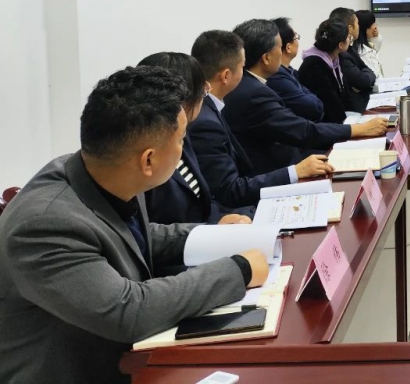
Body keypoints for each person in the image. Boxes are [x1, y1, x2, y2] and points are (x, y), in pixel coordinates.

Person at [0, 66, 270, 384]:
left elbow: (133, 236)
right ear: (148, 160)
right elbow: (129, 311)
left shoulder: (104, 170)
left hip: (128, 356)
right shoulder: (43, 226)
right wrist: (238, 270)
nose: (184, 150)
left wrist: (215, 235)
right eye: (181, 140)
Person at [189, 30, 334, 210]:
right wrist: (295, 172)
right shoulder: (205, 122)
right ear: (226, 75)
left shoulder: (210, 104)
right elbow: (230, 191)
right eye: (242, 67)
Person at [223, 19, 386, 175]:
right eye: (279, 48)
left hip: (292, 155)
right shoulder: (254, 93)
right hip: (280, 170)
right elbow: (303, 130)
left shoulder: (249, 84)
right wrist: (357, 129)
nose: (282, 53)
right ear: (266, 58)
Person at [137, 52, 252, 226]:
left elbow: (203, 201)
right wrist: (210, 229)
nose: (208, 87)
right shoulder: (146, 156)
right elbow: (148, 229)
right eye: (202, 88)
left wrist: (219, 221)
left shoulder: (182, 134)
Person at [265, 16, 325, 121]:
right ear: (288, 47)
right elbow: (313, 108)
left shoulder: (290, 71)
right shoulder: (277, 76)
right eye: (296, 37)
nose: (298, 41)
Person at [299, 19, 355, 124]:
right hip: (323, 125)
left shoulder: (337, 57)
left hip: (342, 119)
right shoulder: (314, 66)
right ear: (340, 45)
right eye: (349, 37)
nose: (350, 39)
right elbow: (329, 105)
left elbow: (344, 95)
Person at [330, 7, 376, 112]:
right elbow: (364, 81)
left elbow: (369, 72)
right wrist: (366, 75)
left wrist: (366, 74)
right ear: (350, 28)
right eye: (357, 23)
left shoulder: (350, 49)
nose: (359, 27)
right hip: (355, 109)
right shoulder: (342, 54)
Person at [354, 9, 385, 78]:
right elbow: (376, 75)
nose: (375, 27)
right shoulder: (365, 53)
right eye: (373, 23)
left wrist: (376, 37)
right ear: (365, 28)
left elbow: (376, 46)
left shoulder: (360, 46)